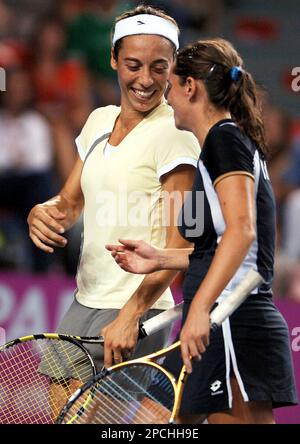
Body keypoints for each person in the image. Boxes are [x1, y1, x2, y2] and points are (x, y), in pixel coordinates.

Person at [106, 38, 298, 424]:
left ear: (190, 87)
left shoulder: (224, 140)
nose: (167, 97)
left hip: (230, 322)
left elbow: (242, 233)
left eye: (171, 86)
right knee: (155, 419)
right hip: (218, 320)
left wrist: (199, 309)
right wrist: (161, 257)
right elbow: (229, 245)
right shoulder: (223, 143)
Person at [27, 5, 200, 371]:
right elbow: (70, 202)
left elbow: (181, 242)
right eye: (133, 65)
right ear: (113, 60)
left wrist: (132, 314)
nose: (146, 80)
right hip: (85, 296)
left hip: (138, 303)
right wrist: (42, 211)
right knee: (63, 409)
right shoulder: (99, 120)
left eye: (159, 67)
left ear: (173, 66)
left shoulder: (177, 136)